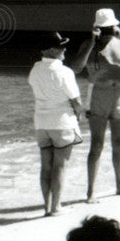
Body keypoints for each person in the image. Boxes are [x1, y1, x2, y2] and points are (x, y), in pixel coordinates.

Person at [70, 9, 120, 202]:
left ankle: (119, 186)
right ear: (97, 28)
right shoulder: (89, 44)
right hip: (99, 96)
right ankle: (91, 192)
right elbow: (76, 68)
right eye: (104, 29)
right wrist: (92, 43)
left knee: (119, 143)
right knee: (97, 144)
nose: (108, 32)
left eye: (110, 28)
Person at [28, 31, 84, 216]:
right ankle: (56, 207)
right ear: (52, 51)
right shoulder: (64, 71)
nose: (65, 49)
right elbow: (76, 102)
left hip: (41, 123)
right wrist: (80, 117)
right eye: (61, 47)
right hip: (61, 122)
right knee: (60, 166)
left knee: (46, 166)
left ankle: (46, 207)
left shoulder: (35, 69)